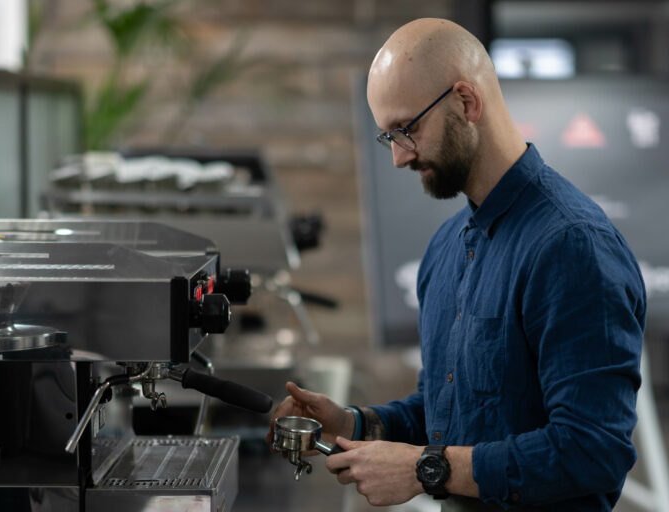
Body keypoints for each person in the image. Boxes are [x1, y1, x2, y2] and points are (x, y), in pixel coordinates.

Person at [267, 18, 646, 512]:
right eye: (388, 137)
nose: (399, 158)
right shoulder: (447, 248)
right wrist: (351, 424)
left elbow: (592, 450)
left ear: (466, 103)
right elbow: (447, 412)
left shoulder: (573, 247)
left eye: (406, 129)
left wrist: (425, 468)